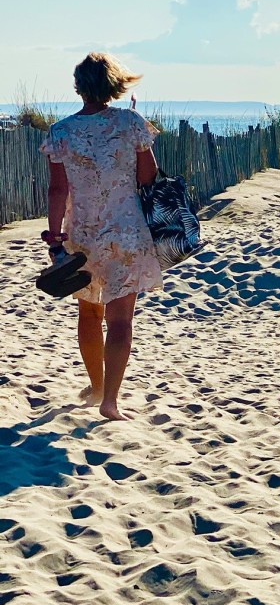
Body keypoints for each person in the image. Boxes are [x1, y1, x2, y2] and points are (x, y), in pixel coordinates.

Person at [40, 52, 162, 421]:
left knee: (89, 314)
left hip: (83, 232)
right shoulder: (131, 123)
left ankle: (95, 387)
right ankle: (110, 401)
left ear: (78, 87)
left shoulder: (61, 132)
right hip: (126, 230)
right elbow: (148, 177)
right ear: (113, 84)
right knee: (121, 319)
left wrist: (56, 238)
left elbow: (57, 190)